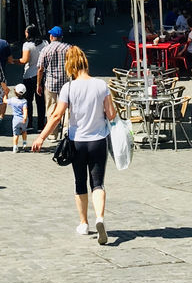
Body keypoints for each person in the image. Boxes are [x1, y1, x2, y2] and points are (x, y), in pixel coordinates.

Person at [32, 45, 116, 244]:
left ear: (69, 65)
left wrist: (41, 137)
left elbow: (56, 116)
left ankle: (84, 223)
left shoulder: (68, 88)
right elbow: (111, 114)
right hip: (98, 140)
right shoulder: (101, 85)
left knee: (80, 183)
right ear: (85, 62)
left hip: (77, 141)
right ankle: (100, 218)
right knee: (98, 183)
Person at [37, 27, 69, 133]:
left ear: (51, 37)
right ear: (61, 37)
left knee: (51, 107)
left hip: (51, 82)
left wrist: (38, 84)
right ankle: (66, 128)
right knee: (67, 106)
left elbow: (40, 69)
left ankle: (52, 132)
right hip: (66, 82)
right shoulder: (69, 48)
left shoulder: (45, 49)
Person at [19, 25, 46, 132]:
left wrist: (14, 61)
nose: (25, 33)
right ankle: (41, 125)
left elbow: (24, 60)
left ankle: (29, 123)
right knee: (40, 101)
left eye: (26, 32)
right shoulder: (44, 43)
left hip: (29, 75)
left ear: (29, 33)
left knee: (28, 100)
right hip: (41, 74)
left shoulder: (27, 45)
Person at [9, 82, 29, 153]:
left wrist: (5, 94)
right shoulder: (24, 101)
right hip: (23, 119)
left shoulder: (12, 100)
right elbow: (25, 110)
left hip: (16, 120)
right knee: (24, 131)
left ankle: (15, 147)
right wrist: (25, 118)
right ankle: (24, 144)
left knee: (15, 134)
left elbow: (4, 101)